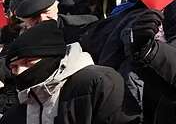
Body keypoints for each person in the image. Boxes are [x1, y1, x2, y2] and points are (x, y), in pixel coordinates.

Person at [0, 21, 136, 124]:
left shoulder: (99, 82)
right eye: (13, 66)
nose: (20, 71)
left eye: (28, 62)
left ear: (51, 57)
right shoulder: (20, 106)